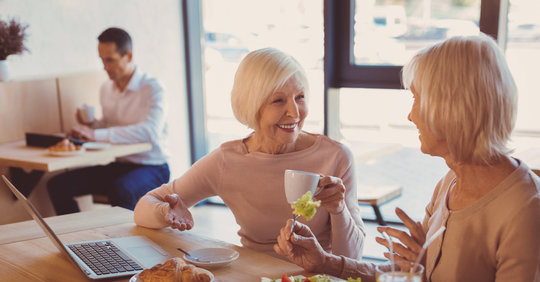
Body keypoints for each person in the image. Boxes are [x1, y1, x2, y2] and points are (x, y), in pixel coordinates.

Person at [274, 34, 540, 282]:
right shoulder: (451, 181)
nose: (410, 115)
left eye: (416, 98)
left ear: (450, 106)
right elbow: (407, 279)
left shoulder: (525, 208)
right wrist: (325, 262)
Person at [134, 48, 365, 259]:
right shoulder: (227, 161)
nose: (294, 112)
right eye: (278, 100)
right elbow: (144, 208)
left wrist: (338, 209)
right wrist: (166, 211)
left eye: (300, 97)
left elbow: (352, 258)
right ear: (252, 105)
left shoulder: (336, 157)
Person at [47, 27, 170, 214]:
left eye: (110, 60)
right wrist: (89, 126)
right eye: (102, 60)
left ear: (128, 56)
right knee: (58, 185)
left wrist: (95, 134)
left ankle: (124, 242)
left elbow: (150, 132)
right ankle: (79, 238)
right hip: (120, 165)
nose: (104, 66)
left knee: (121, 190)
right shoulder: (106, 88)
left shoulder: (153, 88)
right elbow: (109, 126)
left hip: (152, 166)